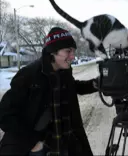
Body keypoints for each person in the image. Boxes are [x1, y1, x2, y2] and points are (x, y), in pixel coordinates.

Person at [0, 27, 98, 156]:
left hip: (65, 145)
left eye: (73, 51)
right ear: (53, 52)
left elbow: (73, 87)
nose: (72, 56)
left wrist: (96, 84)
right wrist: (31, 142)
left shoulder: (64, 72)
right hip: (39, 150)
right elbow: (5, 114)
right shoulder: (29, 74)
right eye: (68, 51)